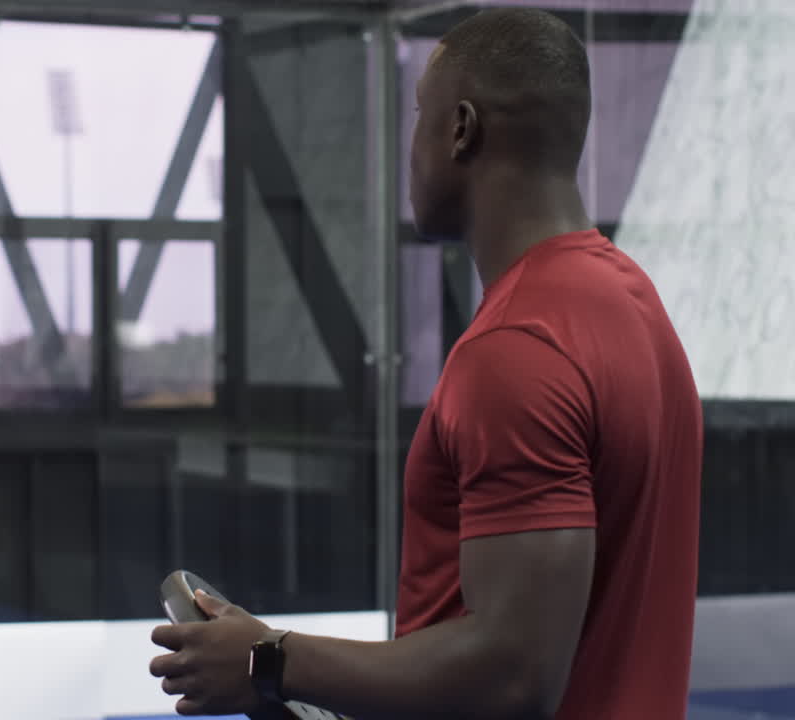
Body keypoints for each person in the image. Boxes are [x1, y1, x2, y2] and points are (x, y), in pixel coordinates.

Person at [150, 8, 702, 719]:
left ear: (462, 129)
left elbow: (514, 674)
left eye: (419, 114)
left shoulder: (518, 347)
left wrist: (269, 660)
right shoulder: (634, 303)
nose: (408, 148)